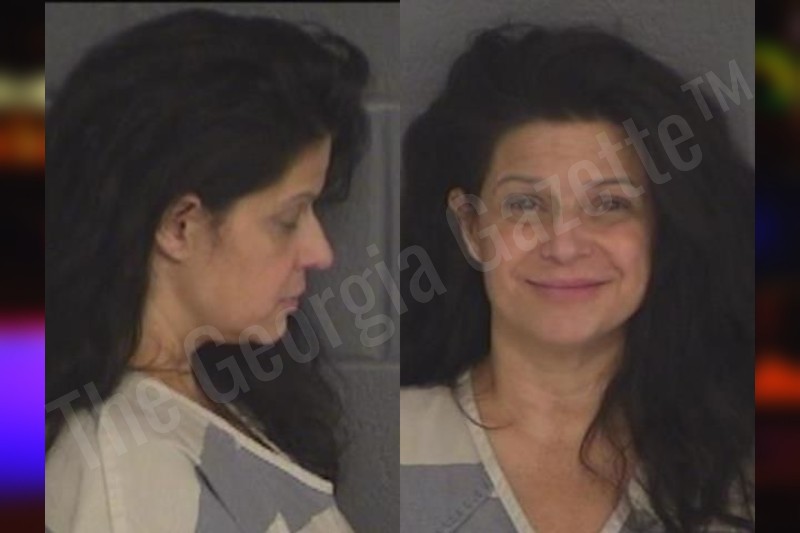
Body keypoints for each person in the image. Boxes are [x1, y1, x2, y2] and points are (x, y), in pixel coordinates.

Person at [400, 24, 754, 532]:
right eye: (525, 204)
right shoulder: (400, 441)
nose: (564, 246)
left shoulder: (746, 468)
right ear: (472, 228)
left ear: (660, 230)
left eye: (609, 204)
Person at [45, 9, 368, 532]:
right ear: (180, 227)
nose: (321, 252)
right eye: (288, 219)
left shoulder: (209, 393)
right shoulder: (122, 477)